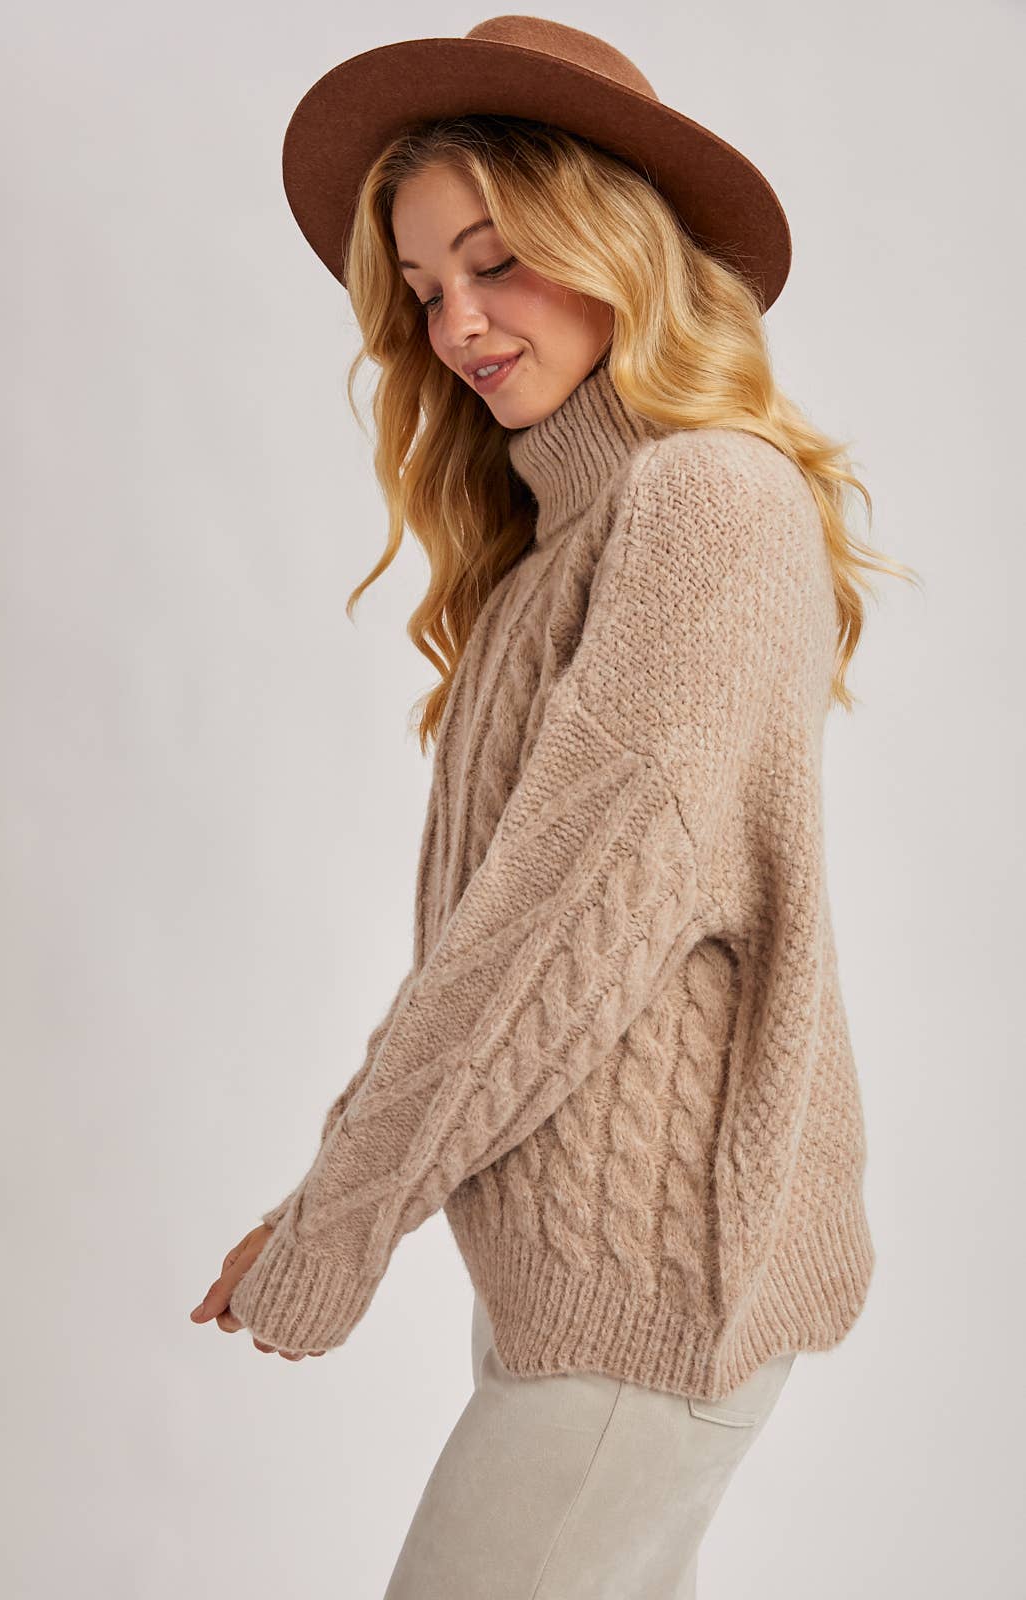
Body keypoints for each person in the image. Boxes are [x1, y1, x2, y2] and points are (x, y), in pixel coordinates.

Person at [189, 17, 917, 1596]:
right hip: (586, 1284)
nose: (457, 321)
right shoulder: (564, 541)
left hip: (651, 1294)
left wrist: (338, 1224)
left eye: (496, 261)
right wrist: (334, 1198)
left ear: (614, 243)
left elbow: (549, 935)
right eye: (423, 288)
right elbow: (512, 935)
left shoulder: (703, 501)